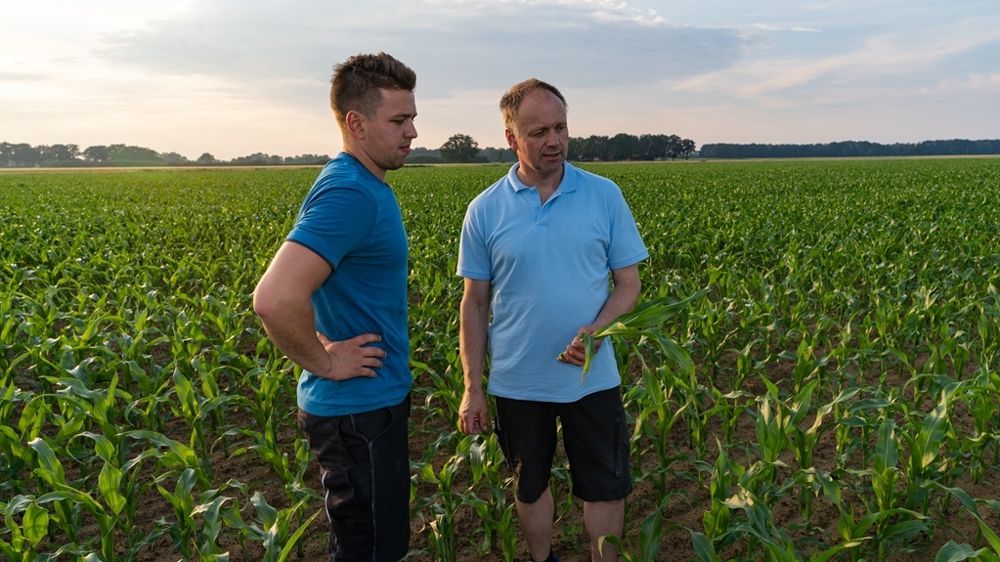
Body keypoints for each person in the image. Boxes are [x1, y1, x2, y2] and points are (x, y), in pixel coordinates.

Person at [456, 78, 647, 562]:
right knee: (529, 483)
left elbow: (629, 284)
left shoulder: (604, 195)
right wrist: (472, 386)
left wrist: (596, 329)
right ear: (511, 138)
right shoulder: (484, 210)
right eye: (538, 131)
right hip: (517, 380)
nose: (554, 141)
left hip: (591, 378)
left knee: (605, 487)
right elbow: (474, 303)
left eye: (560, 127)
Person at [253, 52, 417, 562]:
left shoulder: (357, 182)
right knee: (372, 551)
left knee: (365, 543)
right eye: (398, 120)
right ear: (356, 123)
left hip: (365, 409)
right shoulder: (351, 193)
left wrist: (323, 340)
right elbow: (274, 298)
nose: (412, 131)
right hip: (359, 413)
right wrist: (325, 360)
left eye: (412, 117)